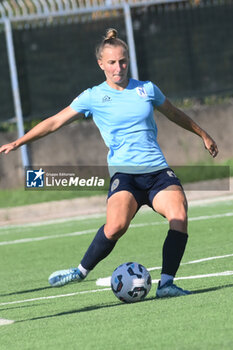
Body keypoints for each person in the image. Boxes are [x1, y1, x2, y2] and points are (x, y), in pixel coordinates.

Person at [0, 28, 218, 298]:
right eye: (112, 62)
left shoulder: (146, 89)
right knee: (115, 227)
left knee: (179, 217)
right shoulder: (93, 96)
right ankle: (80, 271)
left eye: (123, 61)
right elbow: (55, 122)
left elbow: (174, 113)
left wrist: (203, 134)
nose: (119, 68)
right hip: (125, 175)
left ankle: (167, 284)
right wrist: (19, 142)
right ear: (101, 64)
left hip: (158, 171)